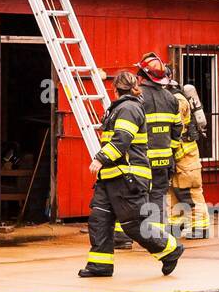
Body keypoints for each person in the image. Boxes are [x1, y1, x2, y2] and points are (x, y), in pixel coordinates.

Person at [78, 70, 184, 276]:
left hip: (127, 177)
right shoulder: (120, 108)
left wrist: (100, 158)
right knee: (100, 220)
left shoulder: (128, 108)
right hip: (110, 177)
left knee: (133, 224)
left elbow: (122, 140)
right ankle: (100, 265)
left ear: (114, 88)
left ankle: (170, 249)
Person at [136, 52, 182, 232]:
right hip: (163, 160)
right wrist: (170, 152)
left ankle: (125, 237)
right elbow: (177, 130)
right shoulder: (171, 98)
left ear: (142, 76)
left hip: (141, 159)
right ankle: (158, 235)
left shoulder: (137, 97)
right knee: (158, 197)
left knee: (134, 196)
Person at [168, 71, 211, 239]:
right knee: (173, 189)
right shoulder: (171, 97)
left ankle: (200, 227)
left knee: (190, 191)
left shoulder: (178, 100)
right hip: (177, 152)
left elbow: (176, 127)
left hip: (185, 153)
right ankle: (176, 225)